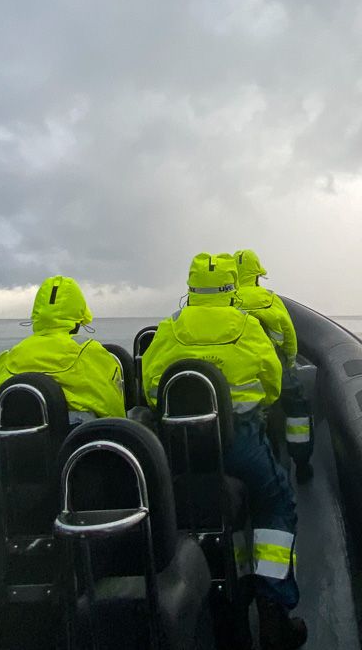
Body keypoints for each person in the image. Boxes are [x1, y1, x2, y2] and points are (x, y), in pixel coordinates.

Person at [141, 253, 306, 650]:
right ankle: (272, 610)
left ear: (191, 288)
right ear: (232, 287)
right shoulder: (248, 326)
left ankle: (223, 607)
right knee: (277, 504)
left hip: (181, 452)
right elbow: (273, 383)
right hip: (240, 442)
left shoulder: (170, 329)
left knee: (200, 514)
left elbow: (149, 387)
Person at [0, 275, 125, 425]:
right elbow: (113, 408)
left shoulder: (9, 356)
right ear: (79, 316)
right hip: (76, 442)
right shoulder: (90, 352)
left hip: (16, 445)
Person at [234, 249, 314, 482]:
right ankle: (302, 463)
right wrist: (289, 364)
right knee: (297, 407)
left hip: (241, 372)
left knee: (251, 416)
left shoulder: (227, 304)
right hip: (275, 367)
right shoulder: (270, 299)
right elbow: (289, 338)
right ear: (257, 276)